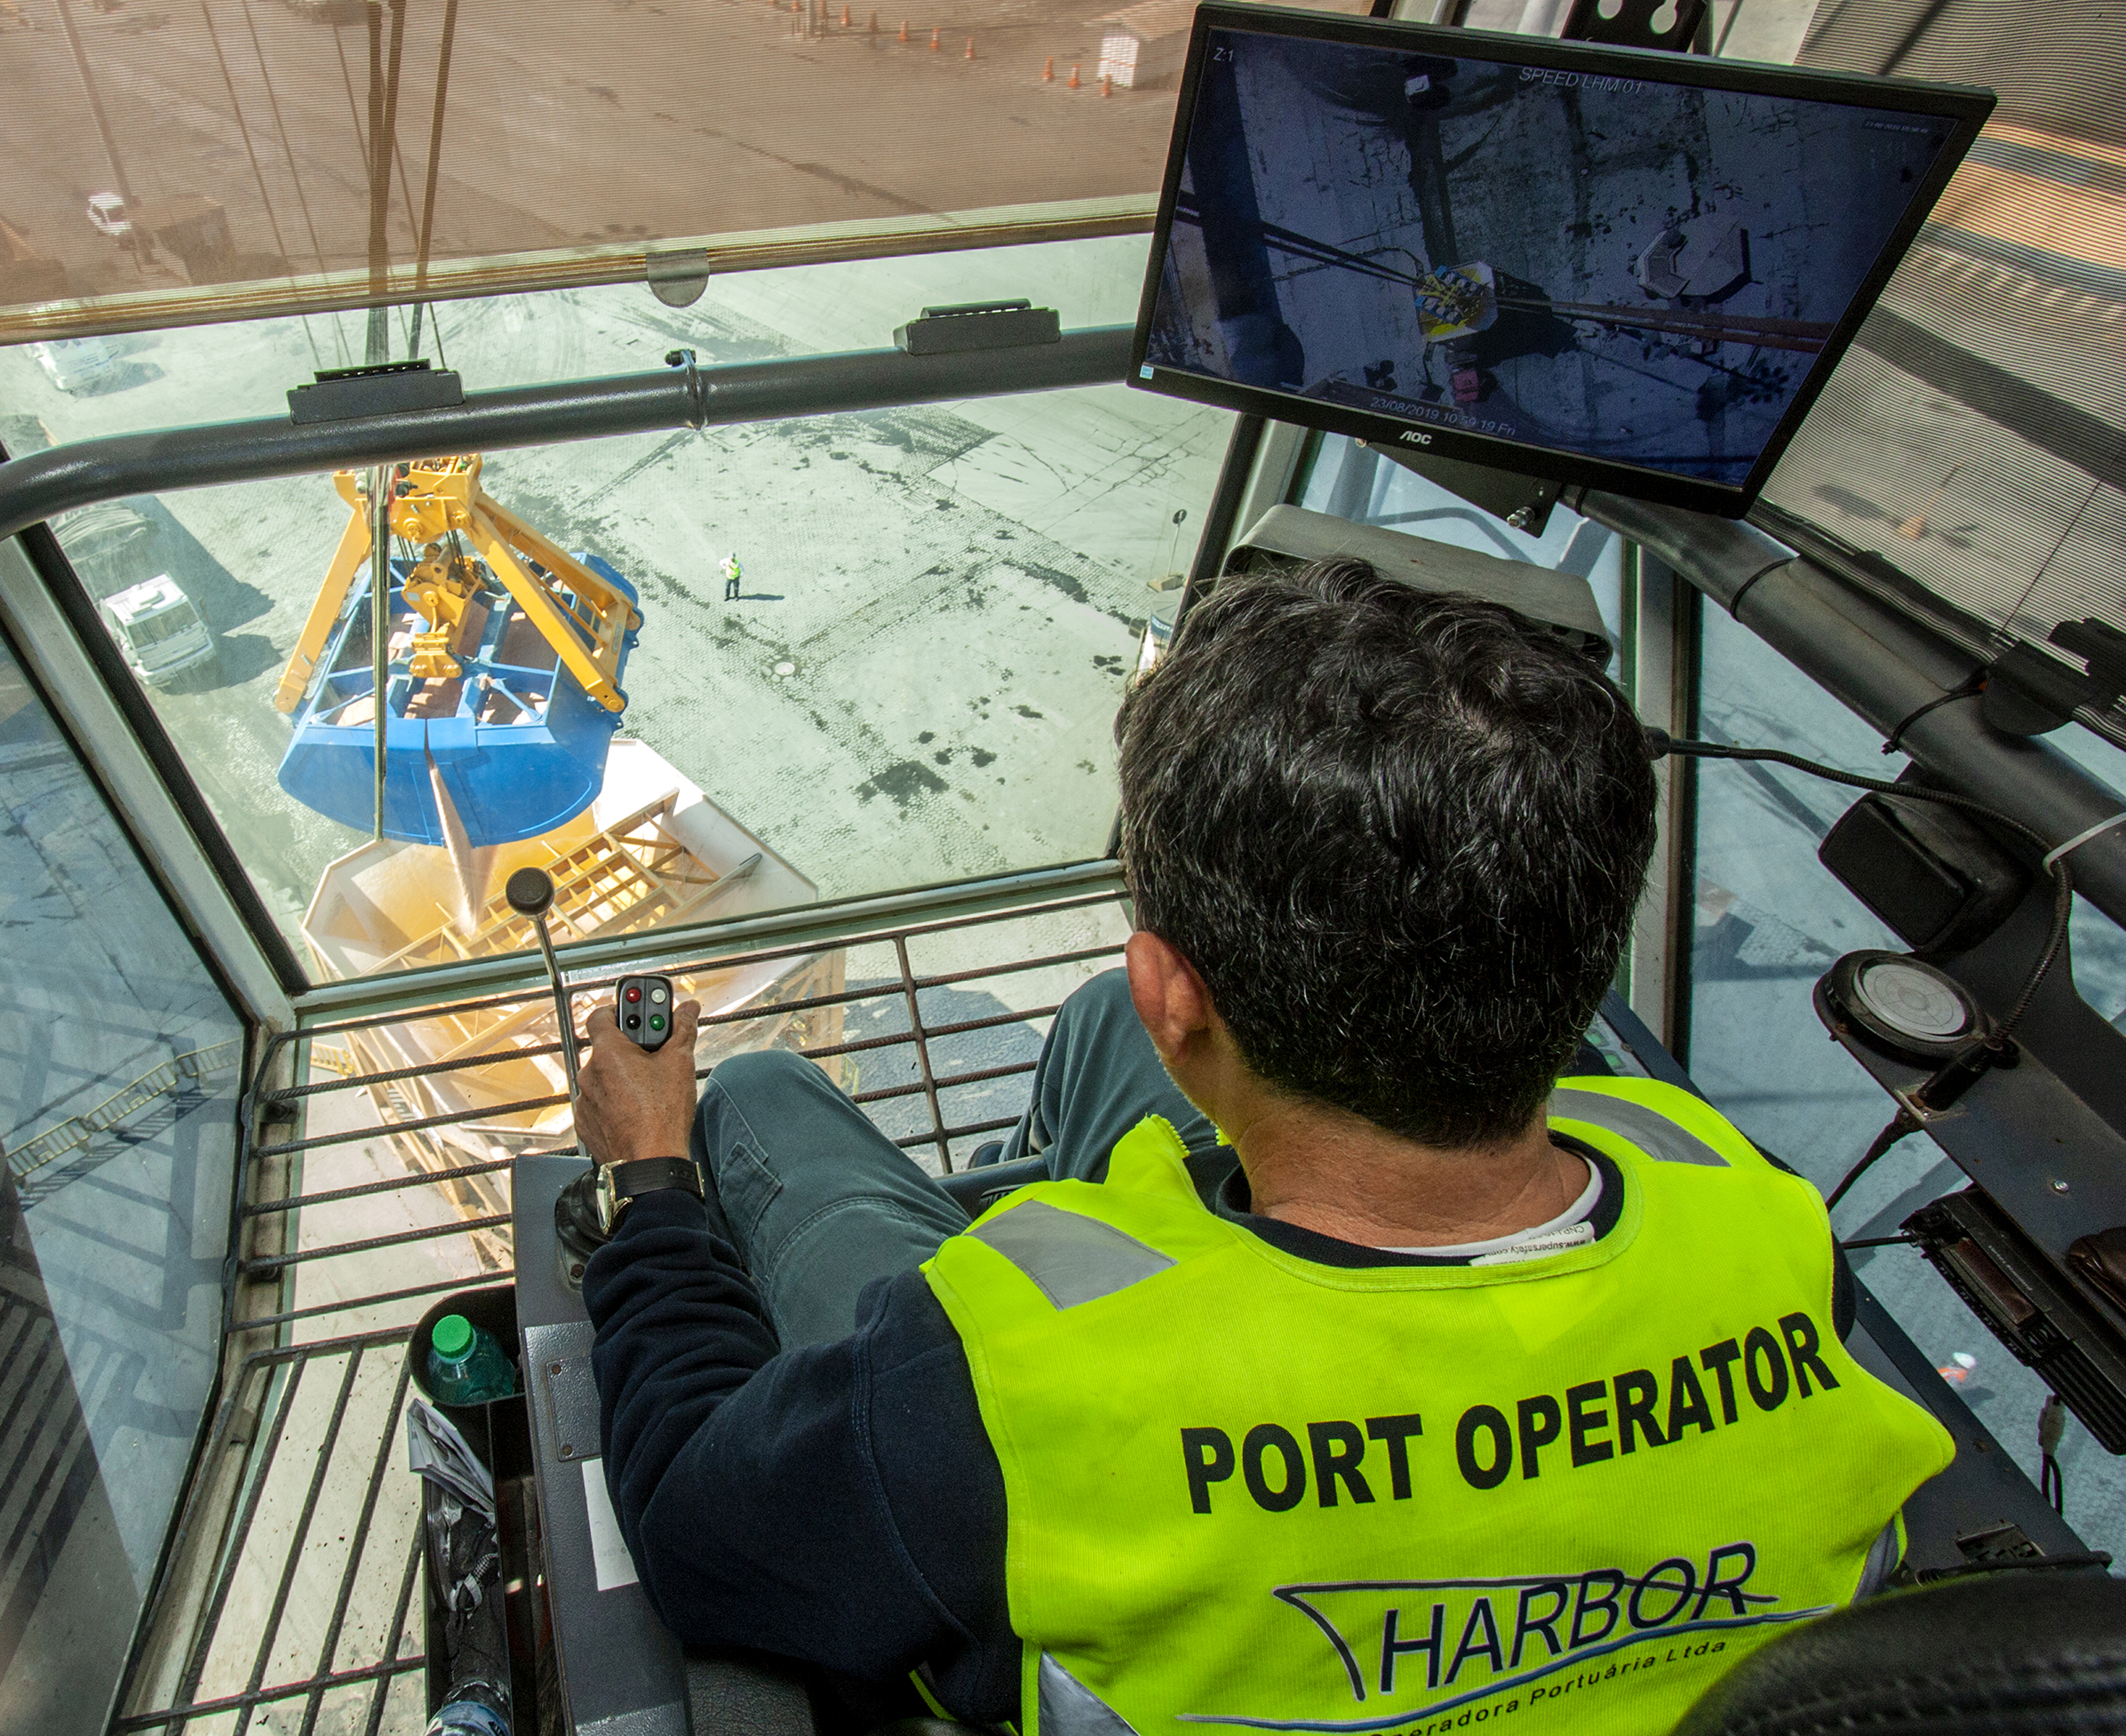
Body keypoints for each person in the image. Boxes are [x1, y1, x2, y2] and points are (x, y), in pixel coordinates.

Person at [571, 559, 1955, 1736]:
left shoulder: (993, 1390)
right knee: (1096, 1023)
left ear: (1191, 1002)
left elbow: (696, 1529)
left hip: (1022, 1419)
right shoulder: (1750, 1212)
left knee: (752, 1098)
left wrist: (647, 1175)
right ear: (1574, 962)